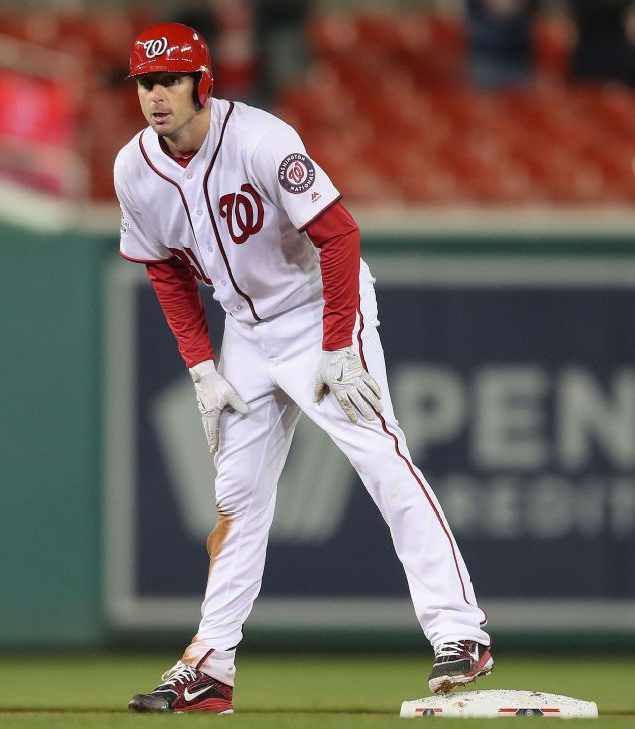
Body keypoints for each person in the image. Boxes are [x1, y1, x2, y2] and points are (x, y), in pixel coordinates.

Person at [114, 23, 493, 715]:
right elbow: (165, 270)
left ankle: (461, 632)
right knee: (236, 498)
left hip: (319, 309)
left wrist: (339, 344)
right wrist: (201, 366)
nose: (157, 95)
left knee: (381, 458)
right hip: (246, 333)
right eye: (146, 82)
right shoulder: (134, 167)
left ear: (203, 82)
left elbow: (339, 233)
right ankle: (211, 666)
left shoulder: (261, 140)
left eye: (170, 80)